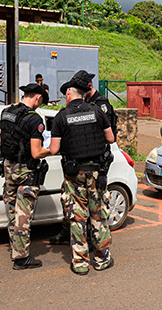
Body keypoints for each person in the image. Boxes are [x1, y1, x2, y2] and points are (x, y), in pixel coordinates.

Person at [49, 75, 115, 275]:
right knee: (98, 215)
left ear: (69, 93)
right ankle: (102, 259)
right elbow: (110, 138)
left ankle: (80, 263)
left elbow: (53, 150)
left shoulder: (61, 116)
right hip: (96, 172)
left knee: (77, 218)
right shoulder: (97, 111)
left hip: (74, 174)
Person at [0, 83, 50, 269]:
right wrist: (50, 150)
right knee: (23, 215)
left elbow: (1, 137)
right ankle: (21, 258)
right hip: (26, 170)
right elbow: (36, 153)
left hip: (8, 167)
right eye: (41, 100)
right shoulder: (34, 119)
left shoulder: (6, 112)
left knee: (12, 210)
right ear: (37, 97)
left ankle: (14, 246)